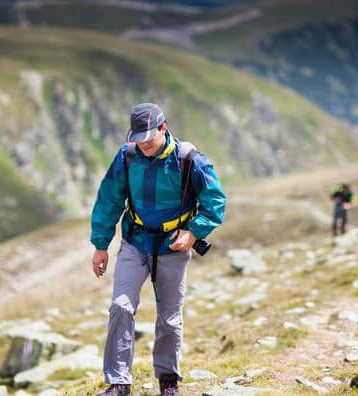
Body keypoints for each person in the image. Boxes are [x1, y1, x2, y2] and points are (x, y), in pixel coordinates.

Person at [90, 103, 226, 396]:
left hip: (173, 247)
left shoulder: (189, 159)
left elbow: (215, 201)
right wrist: (101, 245)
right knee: (120, 307)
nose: (143, 144)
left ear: (164, 129)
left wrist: (193, 232)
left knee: (169, 316)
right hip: (134, 242)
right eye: (138, 138)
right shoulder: (126, 157)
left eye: (149, 137)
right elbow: (109, 199)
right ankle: (118, 383)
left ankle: (167, 381)